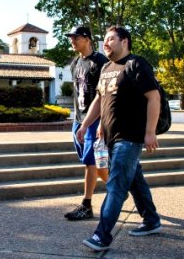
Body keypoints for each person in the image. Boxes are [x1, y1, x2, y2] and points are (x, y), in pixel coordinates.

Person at [77, 25, 162, 252]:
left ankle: (101, 235)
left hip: (130, 136)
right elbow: (99, 99)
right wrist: (86, 125)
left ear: (124, 41)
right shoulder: (106, 67)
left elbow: (154, 97)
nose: (106, 43)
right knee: (134, 179)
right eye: (104, 39)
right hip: (110, 137)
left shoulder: (136, 64)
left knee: (116, 185)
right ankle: (151, 219)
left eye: (111, 39)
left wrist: (150, 132)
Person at [63, 25, 109, 221]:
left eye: (76, 37)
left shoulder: (101, 62)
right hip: (79, 120)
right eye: (71, 37)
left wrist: (103, 122)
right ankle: (118, 188)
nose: (72, 40)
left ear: (88, 39)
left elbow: (107, 95)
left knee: (90, 163)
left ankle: (86, 205)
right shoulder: (75, 64)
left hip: (95, 120)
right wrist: (76, 121)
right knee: (96, 165)